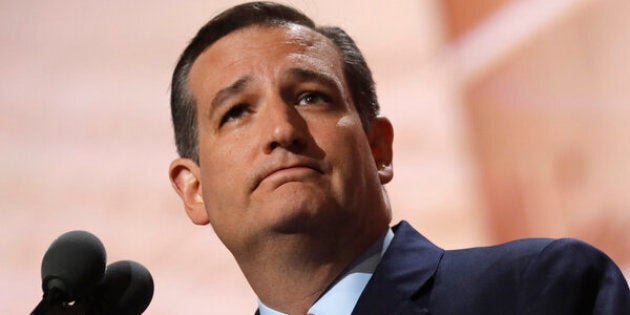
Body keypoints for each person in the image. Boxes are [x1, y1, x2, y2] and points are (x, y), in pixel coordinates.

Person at [167, 2, 630, 314]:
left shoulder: (538, 291)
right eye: (236, 112)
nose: (282, 130)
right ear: (194, 190)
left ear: (379, 148)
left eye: (311, 97)